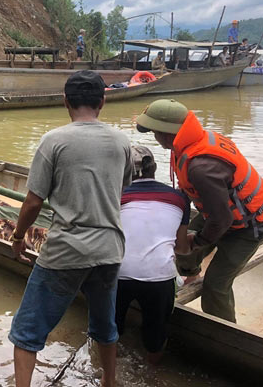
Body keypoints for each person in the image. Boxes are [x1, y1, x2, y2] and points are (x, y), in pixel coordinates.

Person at [9, 70, 132, 387]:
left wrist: (18, 236)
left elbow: (34, 202)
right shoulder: (121, 141)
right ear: (102, 102)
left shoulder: (54, 141)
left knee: (27, 330)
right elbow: (122, 191)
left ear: (65, 102)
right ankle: (109, 382)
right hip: (109, 250)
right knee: (105, 325)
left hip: (67, 250)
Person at [135, 99, 263, 323]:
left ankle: (227, 333)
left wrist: (197, 241)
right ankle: (191, 275)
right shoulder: (188, 143)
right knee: (180, 242)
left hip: (251, 225)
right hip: (223, 211)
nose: (154, 136)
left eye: (154, 131)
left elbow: (222, 219)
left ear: (166, 133)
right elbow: (191, 194)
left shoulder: (201, 167)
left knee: (216, 284)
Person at [115, 146, 190, 365]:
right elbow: (182, 249)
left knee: (110, 327)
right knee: (156, 334)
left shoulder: (115, 197)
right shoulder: (180, 199)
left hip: (120, 273)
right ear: (155, 168)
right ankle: (150, 371)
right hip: (159, 277)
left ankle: (107, 371)